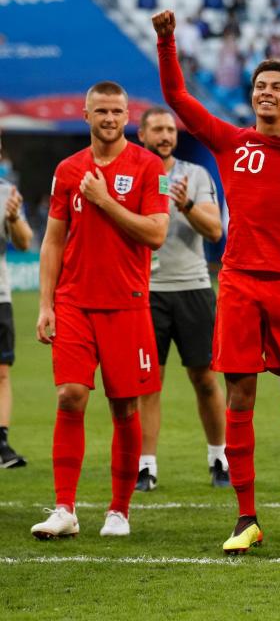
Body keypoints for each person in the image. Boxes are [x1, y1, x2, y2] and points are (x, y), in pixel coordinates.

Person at [154, 10, 280, 555]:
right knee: (240, 393)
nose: (267, 94)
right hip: (239, 285)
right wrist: (166, 41)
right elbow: (179, 98)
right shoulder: (232, 142)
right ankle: (247, 516)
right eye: (260, 87)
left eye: (277, 87)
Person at [31, 81, 170, 539]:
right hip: (74, 302)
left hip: (126, 304)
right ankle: (64, 509)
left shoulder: (150, 168)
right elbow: (53, 240)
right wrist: (45, 304)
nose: (109, 119)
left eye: (116, 111)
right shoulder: (67, 169)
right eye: (101, 111)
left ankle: (119, 510)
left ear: (128, 116)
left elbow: (155, 233)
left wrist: (105, 200)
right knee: (70, 395)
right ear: (87, 116)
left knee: (123, 406)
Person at [134, 106, 229, 491]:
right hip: (145, 291)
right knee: (147, 383)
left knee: (205, 379)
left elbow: (215, 231)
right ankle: (146, 466)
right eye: (157, 129)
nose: (166, 135)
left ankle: (219, 458)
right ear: (141, 134)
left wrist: (186, 204)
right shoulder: (132, 173)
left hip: (192, 287)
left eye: (170, 129)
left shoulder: (195, 174)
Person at [0, 131, 34, 468]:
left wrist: (12, 218)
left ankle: (1, 443)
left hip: (0, 296)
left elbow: (25, 243)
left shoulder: (7, 194)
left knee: (2, 373)